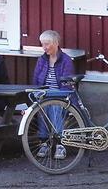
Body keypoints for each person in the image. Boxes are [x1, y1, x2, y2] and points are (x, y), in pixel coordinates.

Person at [31, 29, 76, 161]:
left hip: (60, 95)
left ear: (56, 43)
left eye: (47, 44)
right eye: (42, 44)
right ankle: (44, 142)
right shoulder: (42, 60)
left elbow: (67, 84)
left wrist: (56, 96)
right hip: (44, 95)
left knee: (55, 107)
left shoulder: (66, 60)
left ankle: (60, 144)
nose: (44, 47)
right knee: (42, 108)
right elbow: (36, 81)